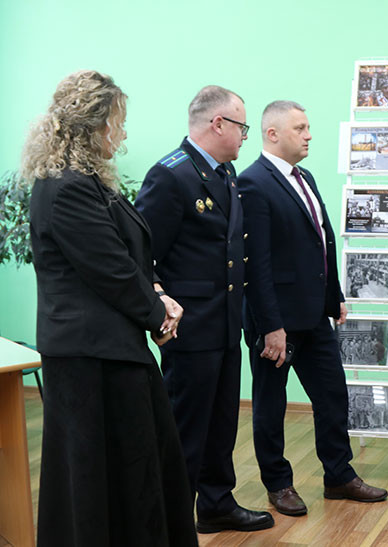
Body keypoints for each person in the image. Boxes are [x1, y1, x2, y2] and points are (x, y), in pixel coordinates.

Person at [23, 70, 197, 546]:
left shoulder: (88, 183)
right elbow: (111, 270)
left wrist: (157, 291)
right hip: (91, 356)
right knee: (101, 477)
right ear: (95, 125)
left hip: (109, 349)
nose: (121, 134)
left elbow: (128, 255)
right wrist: (159, 314)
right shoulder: (68, 187)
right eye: (117, 122)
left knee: (130, 471)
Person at [237, 100, 388, 517]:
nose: (308, 135)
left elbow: (322, 242)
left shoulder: (305, 177)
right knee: (271, 405)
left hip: (314, 315)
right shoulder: (253, 183)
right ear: (272, 134)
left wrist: (334, 295)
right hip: (276, 322)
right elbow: (257, 263)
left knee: (332, 395)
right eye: (299, 128)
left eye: (307, 128)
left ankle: (338, 476)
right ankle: (278, 484)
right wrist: (271, 326)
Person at [135, 86, 274, 533]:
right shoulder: (171, 175)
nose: (245, 137)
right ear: (218, 124)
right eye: (242, 127)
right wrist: (158, 302)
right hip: (190, 328)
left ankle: (216, 504)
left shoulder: (224, 172)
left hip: (225, 323)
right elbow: (140, 253)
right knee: (186, 429)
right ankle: (170, 518)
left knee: (221, 423)